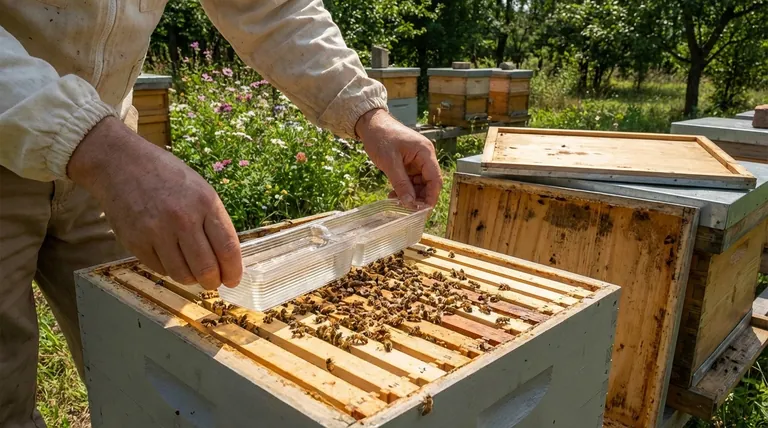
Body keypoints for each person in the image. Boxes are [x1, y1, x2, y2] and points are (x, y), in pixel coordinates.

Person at [0, 0, 443, 426]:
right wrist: (99, 148)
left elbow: (273, 8)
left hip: (108, 151)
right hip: (73, 152)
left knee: (137, 363)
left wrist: (367, 112)